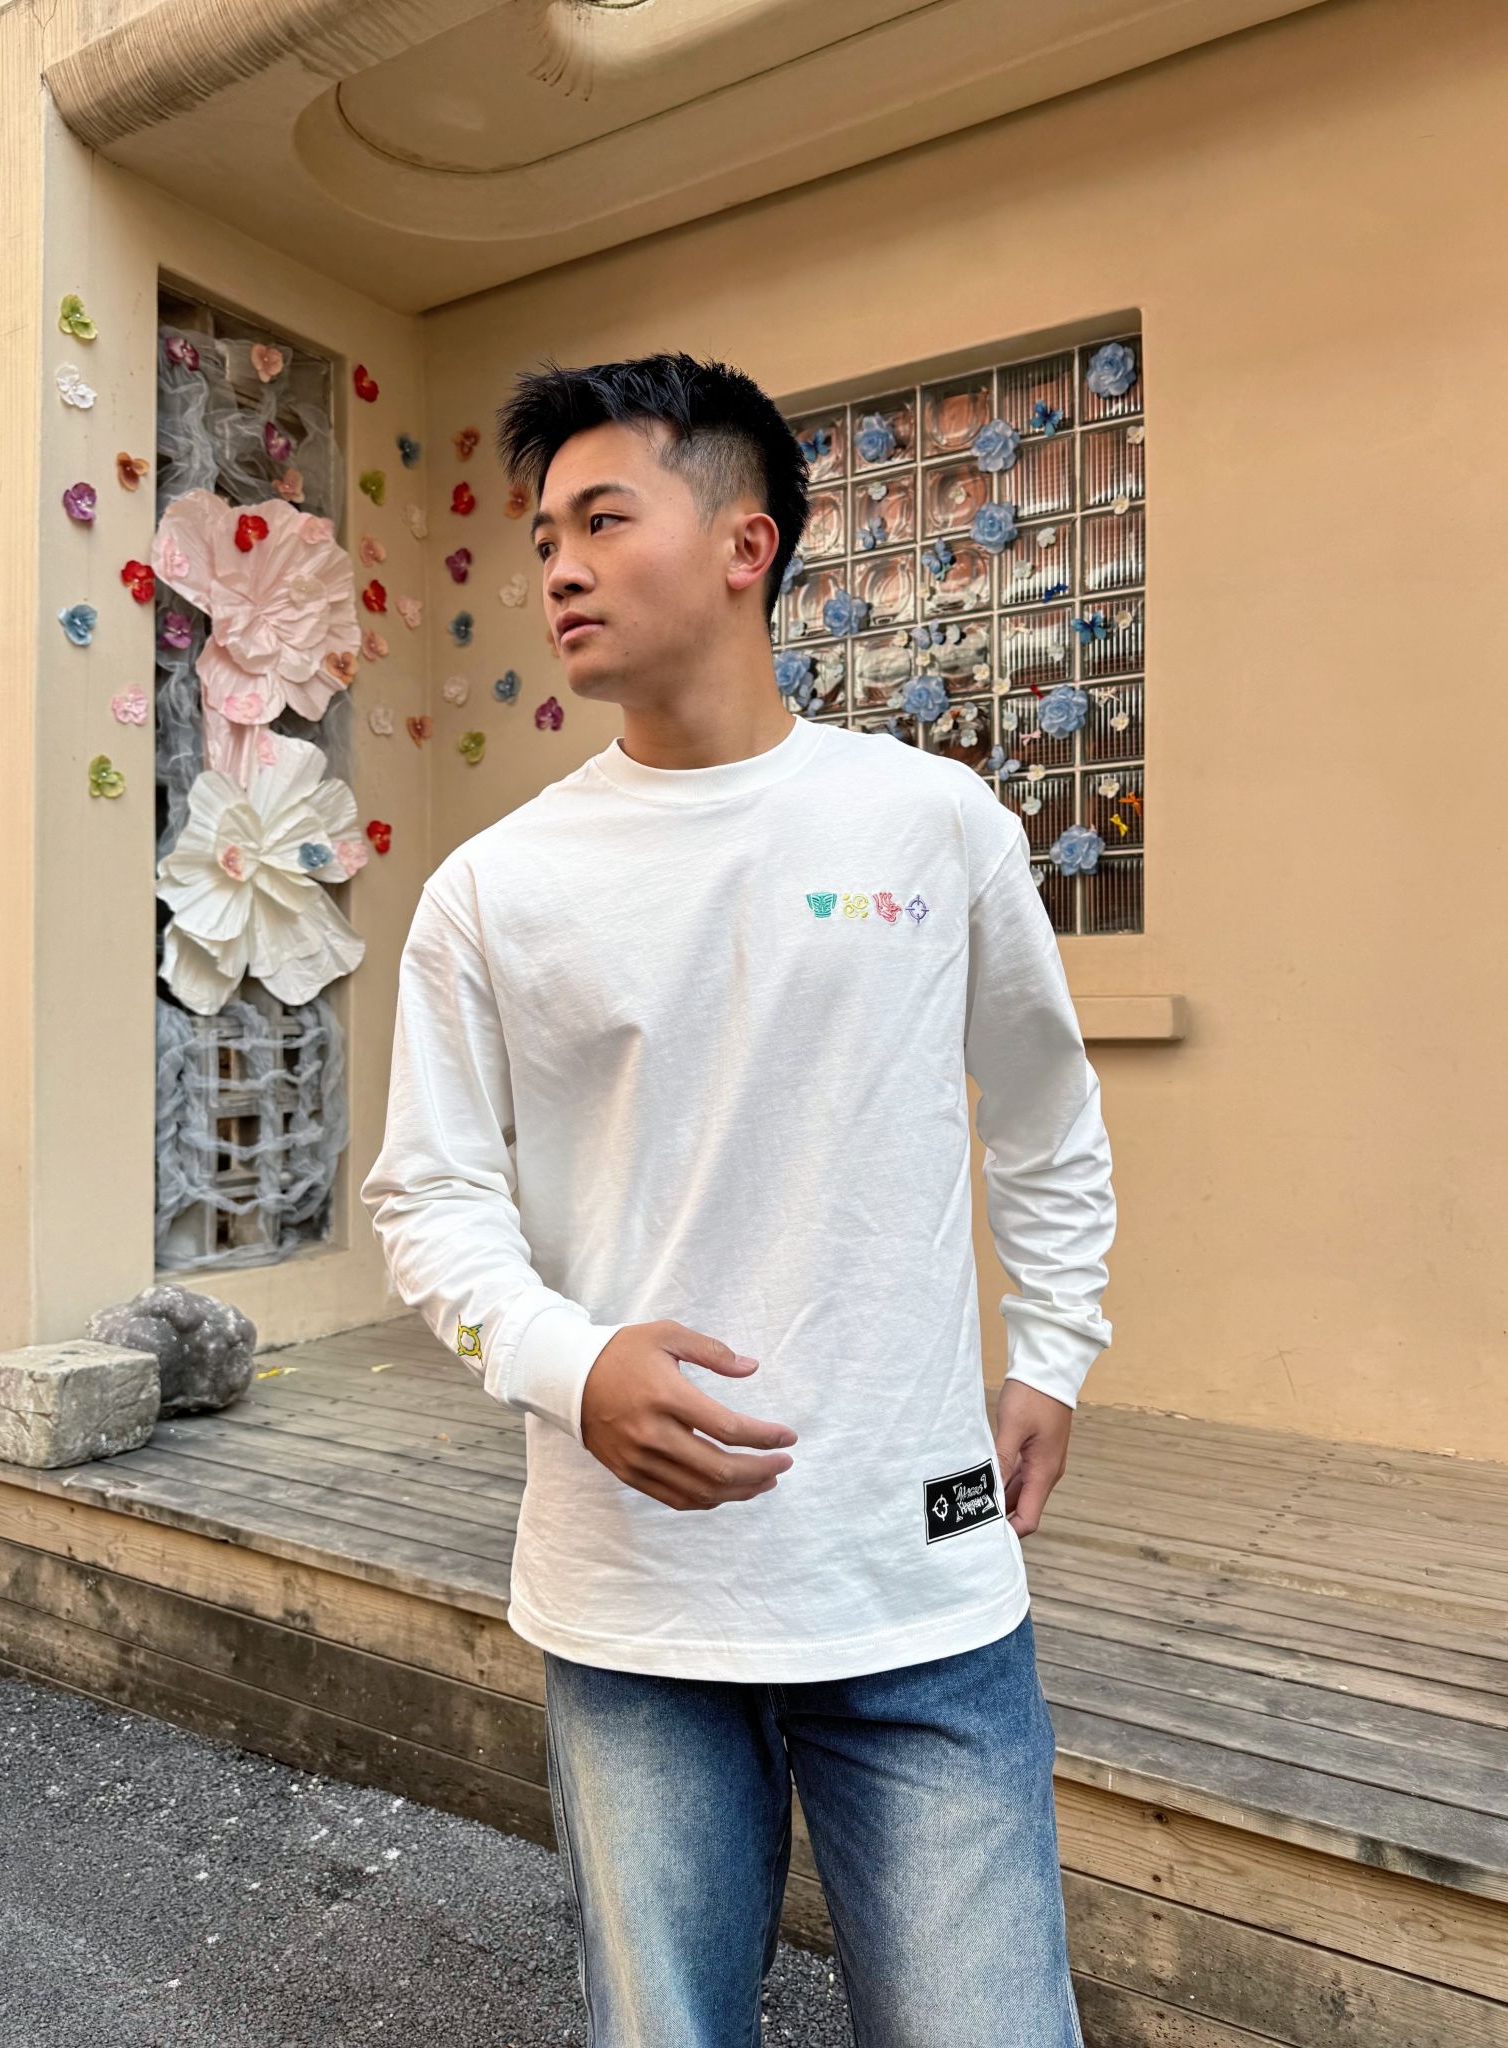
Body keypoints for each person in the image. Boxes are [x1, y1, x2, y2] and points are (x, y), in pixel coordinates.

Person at [359, 350, 1116, 2047]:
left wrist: (1053, 1351)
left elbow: (1044, 1110)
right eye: (540, 536)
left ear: (742, 543)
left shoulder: (928, 823)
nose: (556, 566)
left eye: (600, 519)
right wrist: (569, 1365)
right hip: (633, 1595)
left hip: (913, 1568)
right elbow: (428, 1196)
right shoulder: (495, 889)